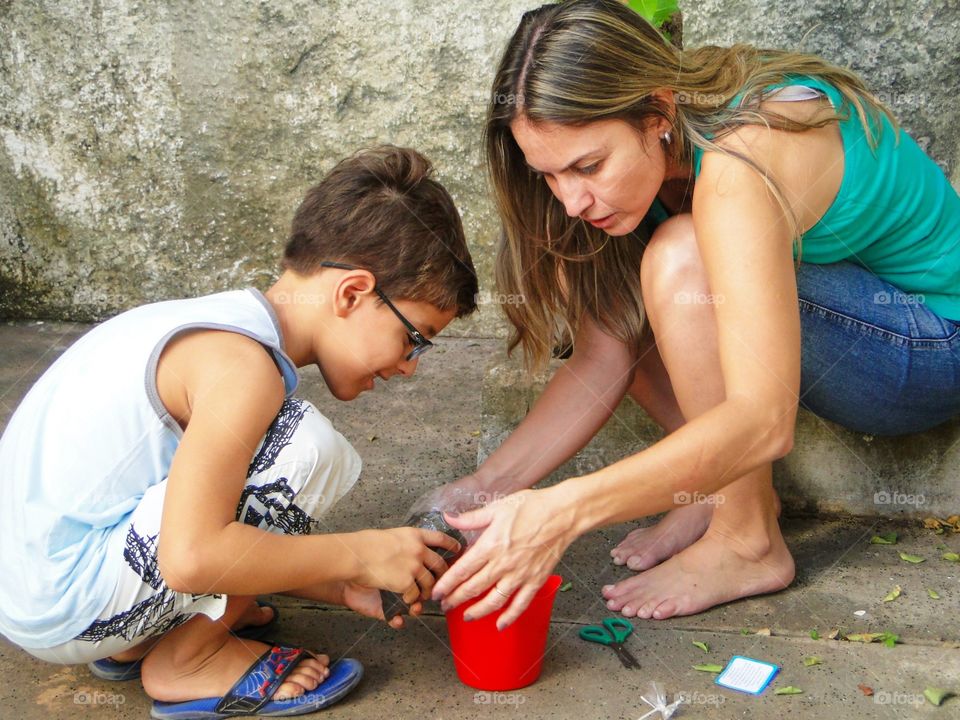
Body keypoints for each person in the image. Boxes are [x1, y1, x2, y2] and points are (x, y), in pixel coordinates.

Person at [431, 0, 960, 630]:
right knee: (638, 284)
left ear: (658, 112)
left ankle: (747, 540)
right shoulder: (634, 177)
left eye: (588, 166)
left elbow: (765, 423)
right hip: (850, 331)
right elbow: (608, 355)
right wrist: (483, 491)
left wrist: (561, 511)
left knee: (681, 258)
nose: (571, 200)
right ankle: (709, 491)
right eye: (548, 174)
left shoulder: (740, 162)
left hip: (926, 346)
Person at [0, 145, 478, 718]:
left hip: (40, 588)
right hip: (63, 605)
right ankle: (188, 661)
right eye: (414, 337)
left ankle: (149, 631)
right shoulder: (244, 369)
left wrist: (340, 586)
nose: (410, 365)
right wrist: (358, 553)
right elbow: (191, 556)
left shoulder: (214, 324)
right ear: (352, 292)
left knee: (264, 462)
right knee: (305, 449)